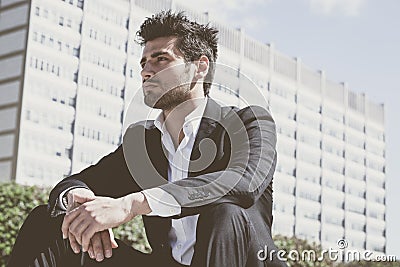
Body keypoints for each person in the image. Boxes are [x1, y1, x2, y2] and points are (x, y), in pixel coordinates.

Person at [8, 11, 286, 267]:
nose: (146, 71)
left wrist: (131, 204)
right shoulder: (143, 143)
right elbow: (75, 182)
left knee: (225, 213)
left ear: (199, 67)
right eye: (144, 62)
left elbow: (242, 183)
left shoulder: (248, 122)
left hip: (238, 259)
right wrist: (80, 203)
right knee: (47, 220)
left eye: (161, 59)